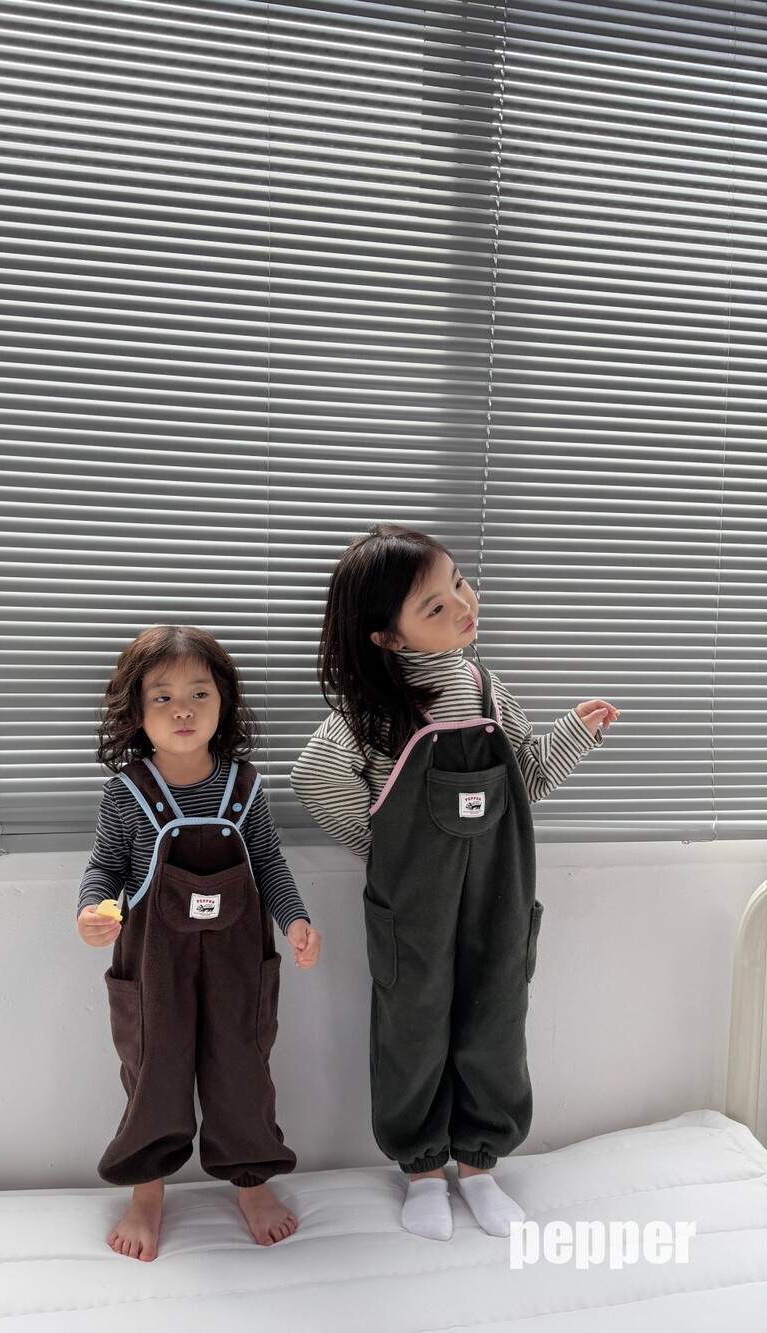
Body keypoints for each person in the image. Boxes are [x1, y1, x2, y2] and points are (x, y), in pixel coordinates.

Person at [290, 524, 618, 1242]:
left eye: (459, 583)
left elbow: (525, 780)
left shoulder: (490, 691)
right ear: (388, 637)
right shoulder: (373, 712)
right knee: (412, 1029)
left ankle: (479, 1166)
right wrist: (380, 847)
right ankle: (420, 1169)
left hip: (499, 893)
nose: (462, 605)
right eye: (434, 606)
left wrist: (572, 735)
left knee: (495, 1020)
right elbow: (314, 776)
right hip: (413, 905)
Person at [77, 624, 321, 1262]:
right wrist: (91, 912)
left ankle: (252, 1184)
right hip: (153, 962)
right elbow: (105, 868)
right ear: (136, 711)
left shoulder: (246, 786)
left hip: (239, 961)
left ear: (224, 703)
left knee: (243, 1069)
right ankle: (147, 1192)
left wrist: (294, 920)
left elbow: (269, 863)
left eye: (199, 694)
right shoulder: (126, 792)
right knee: (153, 1070)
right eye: (162, 697)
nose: (182, 709)